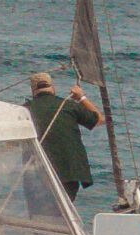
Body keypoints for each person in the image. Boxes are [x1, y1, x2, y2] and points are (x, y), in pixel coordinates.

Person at [27, 70, 104, 202]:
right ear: (53, 88)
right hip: (69, 172)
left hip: (37, 171)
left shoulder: (25, 110)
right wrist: (81, 97)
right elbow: (100, 120)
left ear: (33, 90)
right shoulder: (69, 106)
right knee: (63, 207)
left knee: (39, 210)